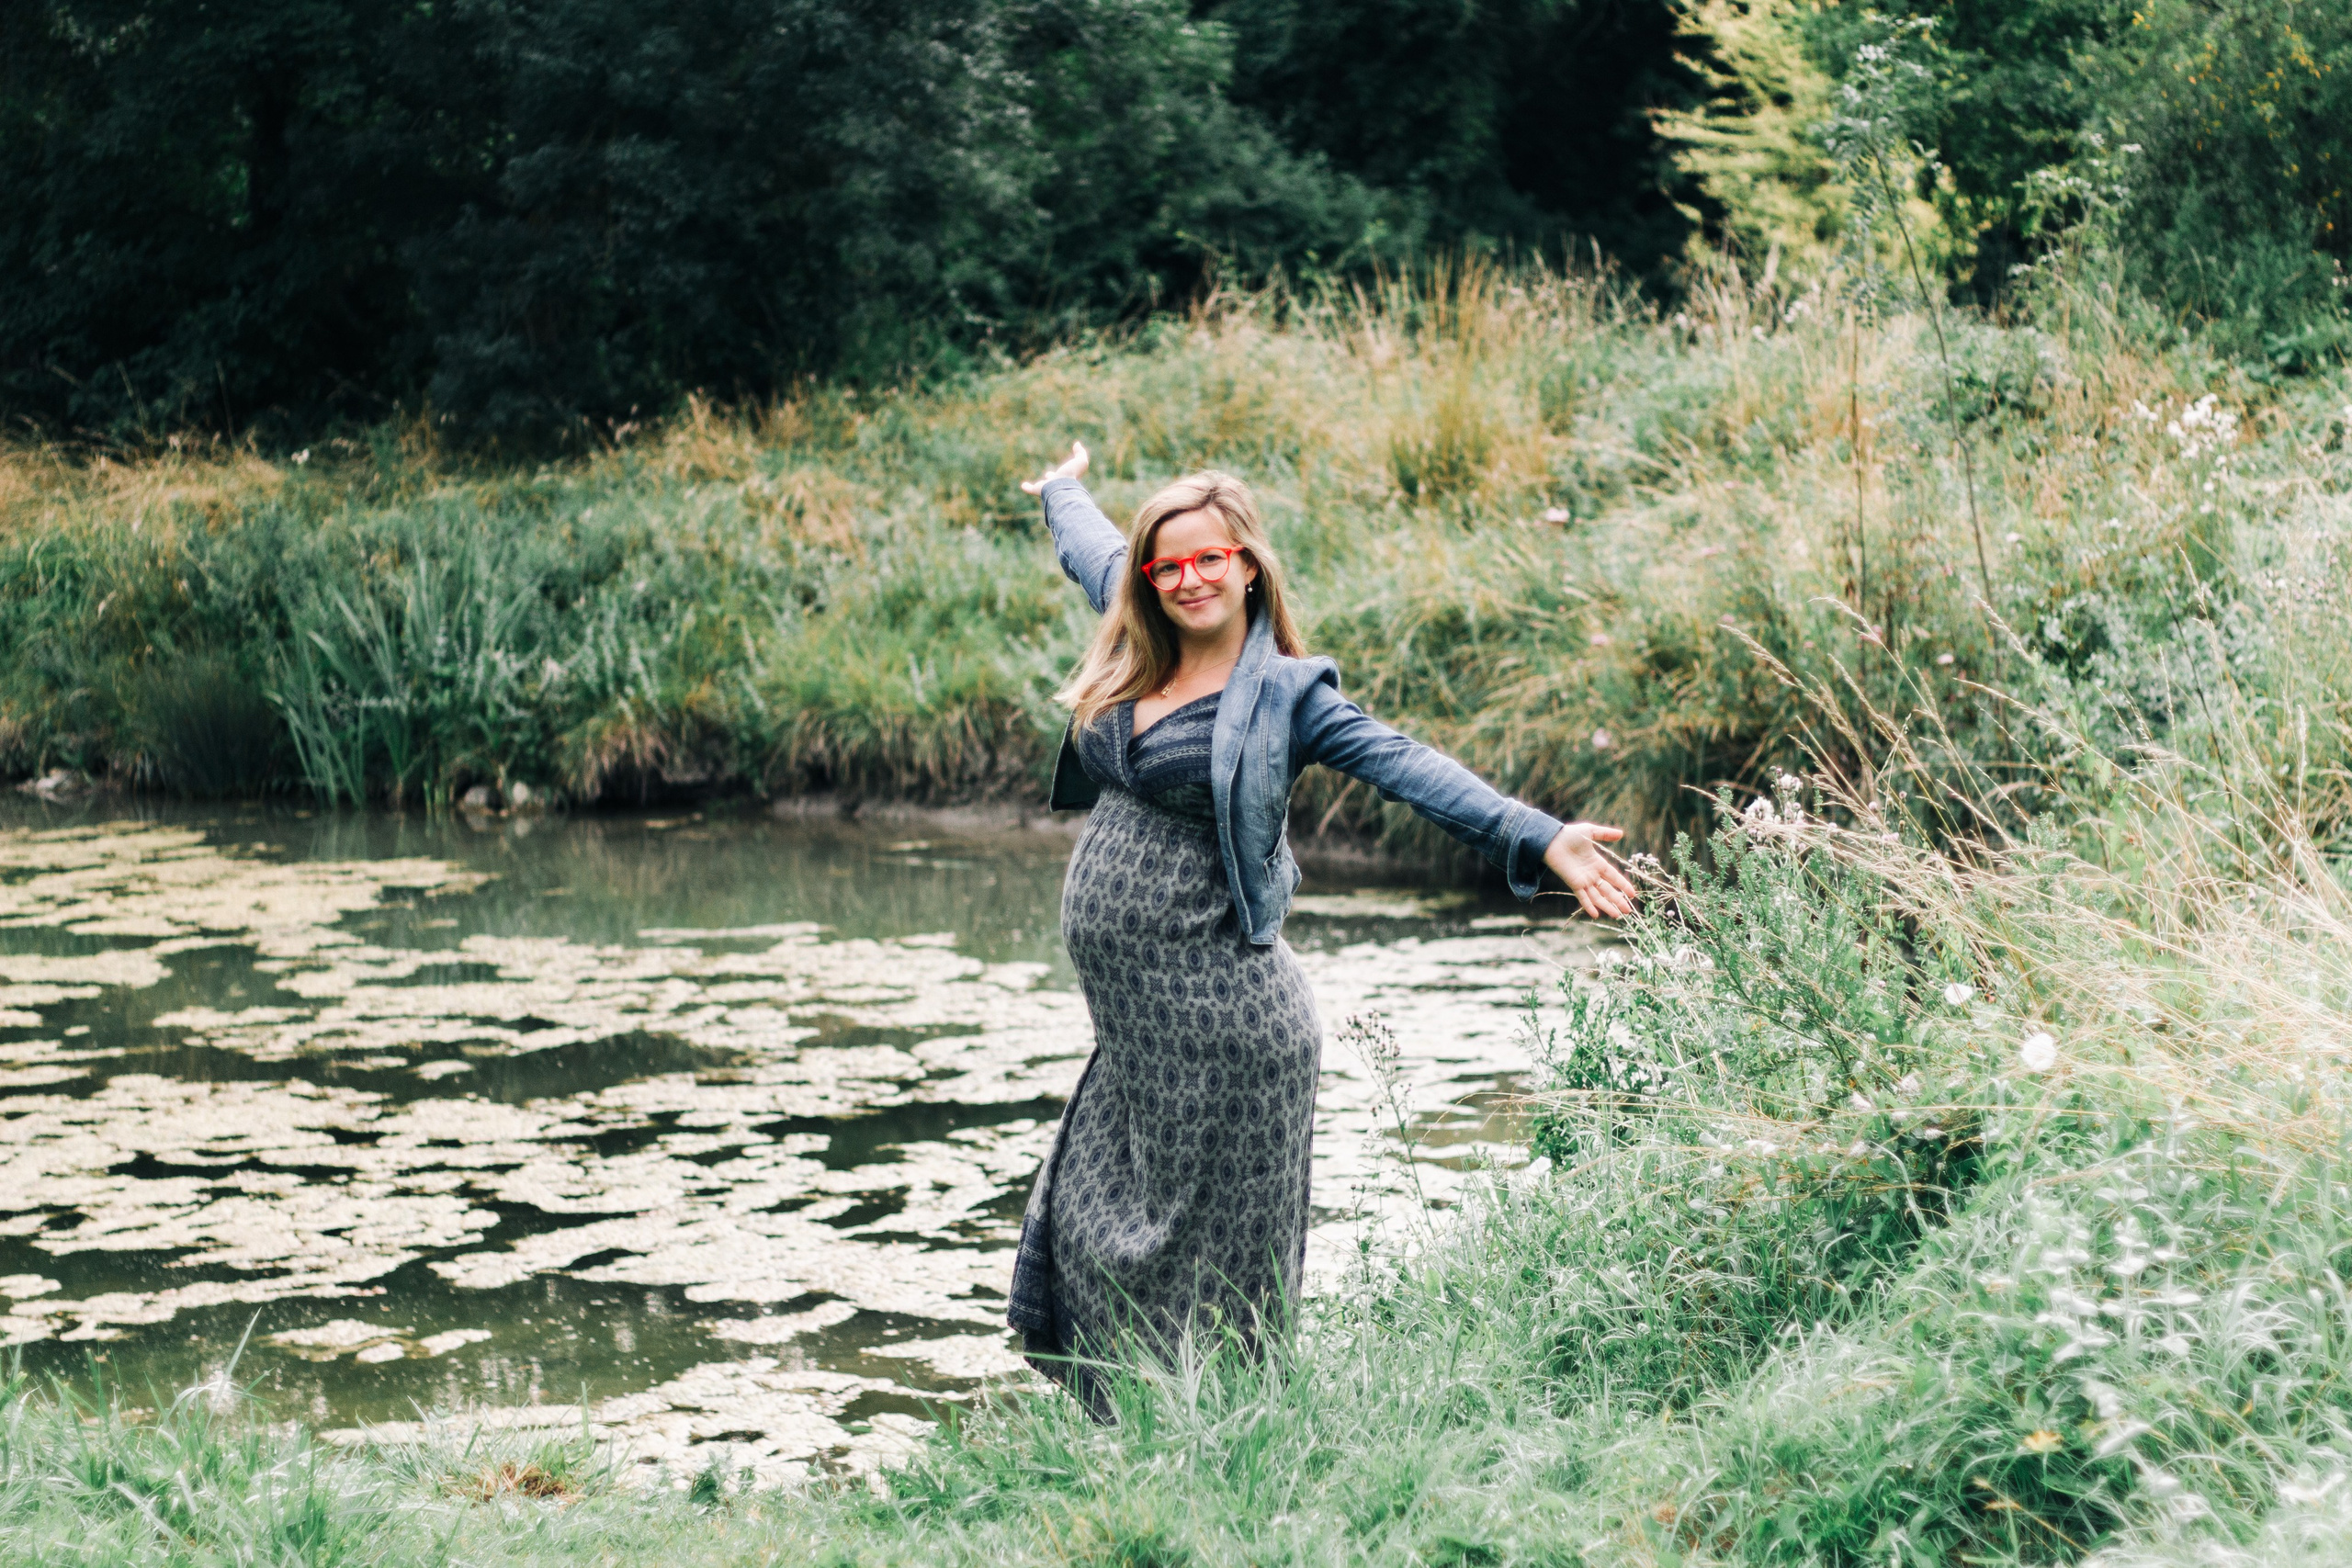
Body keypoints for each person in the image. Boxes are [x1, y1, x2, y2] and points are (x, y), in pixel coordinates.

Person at [1005, 441, 1635, 1414]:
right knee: (1095, 1218)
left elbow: (1406, 765)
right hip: (1137, 1028)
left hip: (1227, 1021)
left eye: (1207, 559)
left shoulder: (1288, 697)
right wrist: (1061, 489)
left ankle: (1225, 1439)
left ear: (1246, 563)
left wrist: (1539, 834)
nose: (1185, 579)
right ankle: (1136, 1423)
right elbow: (1089, 546)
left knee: (1211, 1258)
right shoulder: (1136, 629)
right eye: (1165, 565)